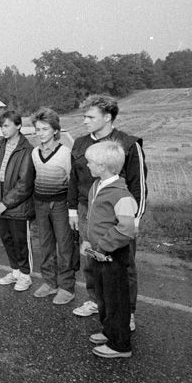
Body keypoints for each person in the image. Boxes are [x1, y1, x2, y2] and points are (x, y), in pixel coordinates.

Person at [68, 95, 147, 331]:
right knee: (90, 259)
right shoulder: (80, 144)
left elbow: (138, 185)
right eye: (84, 116)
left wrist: (134, 219)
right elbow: (74, 179)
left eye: (90, 117)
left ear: (108, 117)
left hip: (117, 215)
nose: (85, 121)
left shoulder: (129, 144)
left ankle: (126, 311)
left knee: (123, 265)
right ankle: (96, 300)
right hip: (86, 210)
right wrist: (73, 210)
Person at [80, 141, 137, 359]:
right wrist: (88, 241)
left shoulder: (121, 194)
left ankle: (120, 345)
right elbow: (93, 219)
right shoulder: (97, 185)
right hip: (98, 253)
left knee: (117, 300)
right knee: (103, 297)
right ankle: (109, 331)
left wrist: (102, 246)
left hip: (112, 255)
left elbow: (126, 230)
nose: (87, 165)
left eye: (90, 162)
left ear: (103, 166)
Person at [0, 111, 35, 290]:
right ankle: (15, 272)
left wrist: (4, 204)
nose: (3, 130)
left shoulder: (27, 149)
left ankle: (25, 276)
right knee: (7, 238)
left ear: (18, 126)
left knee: (21, 241)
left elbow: (25, 184)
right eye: (1, 126)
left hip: (18, 205)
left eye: (6, 126)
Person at [30, 107, 76, 305]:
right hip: (40, 204)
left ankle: (67, 287)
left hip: (60, 205)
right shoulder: (34, 153)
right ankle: (50, 282)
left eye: (45, 129)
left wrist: (71, 209)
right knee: (45, 245)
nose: (40, 133)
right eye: (38, 129)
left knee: (65, 247)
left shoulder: (65, 153)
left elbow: (71, 182)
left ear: (55, 130)